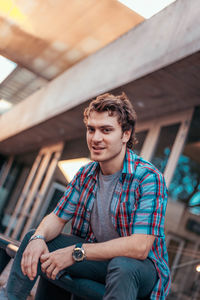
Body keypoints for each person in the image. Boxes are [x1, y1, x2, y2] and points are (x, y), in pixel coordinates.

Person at [0, 92, 171, 300]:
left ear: (125, 134)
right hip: (95, 260)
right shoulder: (85, 174)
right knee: (35, 238)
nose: (96, 138)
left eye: (106, 130)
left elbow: (139, 247)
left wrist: (76, 252)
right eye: (91, 129)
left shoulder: (148, 177)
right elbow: (57, 217)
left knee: (123, 265)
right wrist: (38, 238)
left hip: (139, 270)